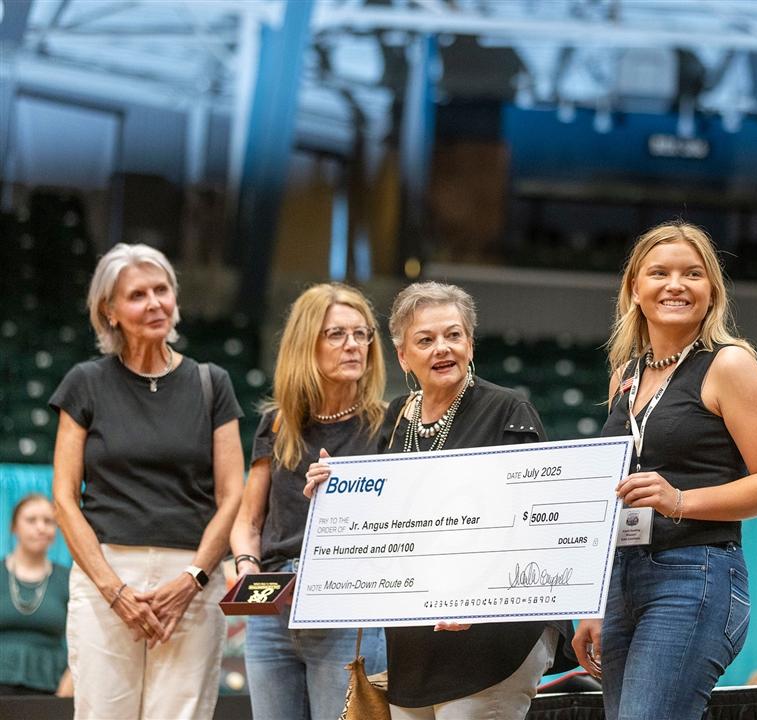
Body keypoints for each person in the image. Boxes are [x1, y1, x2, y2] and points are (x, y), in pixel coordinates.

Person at [305, 282, 573, 720]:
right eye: (425, 341)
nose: (442, 349)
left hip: (490, 642)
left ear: (470, 342)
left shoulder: (508, 411)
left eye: (453, 335)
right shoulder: (395, 419)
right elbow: (381, 518)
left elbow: (534, 525)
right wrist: (333, 490)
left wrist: (481, 597)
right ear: (402, 356)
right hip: (416, 648)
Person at [572, 221, 757, 720]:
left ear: (711, 290)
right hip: (622, 579)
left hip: (694, 574)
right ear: (635, 288)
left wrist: (681, 501)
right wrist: (592, 602)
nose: (675, 284)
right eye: (659, 273)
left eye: (692, 274)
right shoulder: (624, 376)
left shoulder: (730, 365)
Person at [50, 243, 245, 719]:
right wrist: (113, 589)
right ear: (109, 312)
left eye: (162, 290)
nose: (155, 302)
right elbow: (63, 498)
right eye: (138, 295)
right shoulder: (85, 382)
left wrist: (194, 578)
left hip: (191, 580)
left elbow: (232, 494)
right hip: (107, 576)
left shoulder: (211, 382)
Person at [231, 283, 388, 720]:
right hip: (273, 605)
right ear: (306, 343)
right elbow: (248, 520)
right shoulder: (277, 423)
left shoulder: (389, 424)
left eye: (362, 334)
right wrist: (248, 569)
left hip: (346, 602)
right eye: (336, 334)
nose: (353, 345)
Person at [0, 494, 72, 696]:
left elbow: (83, 638)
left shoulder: (68, 579)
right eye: (31, 520)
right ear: (14, 527)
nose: (41, 527)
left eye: (48, 521)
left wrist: (70, 682)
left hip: (52, 688)